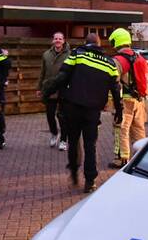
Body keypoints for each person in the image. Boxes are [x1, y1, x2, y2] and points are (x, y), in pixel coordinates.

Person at [43, 33, 122, 194]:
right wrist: (119, 111)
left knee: (73, 142)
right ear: (99, 44)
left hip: (72, 107)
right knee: (90, 145)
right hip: (92, 111)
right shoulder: (109, 63)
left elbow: (62, 77)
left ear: (86, 43)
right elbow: (116, 89)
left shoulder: (77, 54)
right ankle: (90, 181)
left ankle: (74, 171)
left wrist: (47, 92)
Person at [108, 28, 148, 169]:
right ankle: (142, 158)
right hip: (139, 100)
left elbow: (114, 82)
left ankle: (122, 159)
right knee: (139, 130)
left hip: (125, 102)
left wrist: (111, 102)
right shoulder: (139, 57)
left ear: (116, 41)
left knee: (121, 129)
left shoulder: (118, 60)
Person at [37, 32, 70, 150]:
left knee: (62, 116)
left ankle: (63, 140)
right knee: (50, 115)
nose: (58, 40)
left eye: (60, 39)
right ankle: (54, 133)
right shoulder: (46, 54)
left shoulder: (70, 55)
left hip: (63, 90)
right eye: (56, 38)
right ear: (53, 40)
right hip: (50, 89)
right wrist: (39, 88)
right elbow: (42, 72)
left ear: (63, 40)